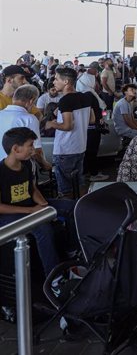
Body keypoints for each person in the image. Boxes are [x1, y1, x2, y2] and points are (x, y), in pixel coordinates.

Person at [0, 128, 60, 275]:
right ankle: (54, 277)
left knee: (71, 208)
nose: (33, 149)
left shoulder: (27, 165)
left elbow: (32, 189)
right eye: (30, 145)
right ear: (15, 148)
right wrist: (31, 211)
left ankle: (73, 253)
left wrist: (45, 205)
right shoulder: (1, 172)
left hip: (30, 208)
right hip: (8, 216)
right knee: (43, 228)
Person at [44, 68, 94, 197]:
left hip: (65, 149)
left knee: (65, 189)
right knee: (79, 184)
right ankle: (80, 210)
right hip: (80, 146)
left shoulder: (66, 100)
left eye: (56, 79)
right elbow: (92, 119)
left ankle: (68, 214)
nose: (54, 82)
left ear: (66, 81)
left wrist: (51, 124)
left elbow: (67, 126)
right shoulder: (86, 97)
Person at [0, 84, 51, 170]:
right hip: (20, 168)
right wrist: (44, 164)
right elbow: (35, 150)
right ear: (31, 101)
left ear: (14, 98)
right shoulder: (29, 119)